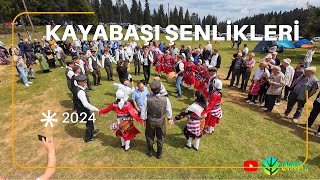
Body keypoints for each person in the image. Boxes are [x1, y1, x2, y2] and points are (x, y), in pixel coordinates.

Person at [140, 81, 173, 159]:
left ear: (151, 90)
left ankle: (151, 151)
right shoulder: (166, 99)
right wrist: (169, 118)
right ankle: (159, 153)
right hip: (160, 121)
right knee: (161, 136)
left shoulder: (146, 99)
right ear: (160, 89)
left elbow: (143, 110)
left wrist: (143, 119)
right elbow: (169, 110)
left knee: (149, 135)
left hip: (150, 121)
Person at [72, 75, 99, 143]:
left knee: (90, 121)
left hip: (79, 108)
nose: (86, 82)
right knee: (89, 123)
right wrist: (96, 109)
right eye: (84, 81)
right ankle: (88, 138)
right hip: (83, 110)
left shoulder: (75, 88)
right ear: (79, 82)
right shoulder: (81, 92)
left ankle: (92, 132)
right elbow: (86, 104)